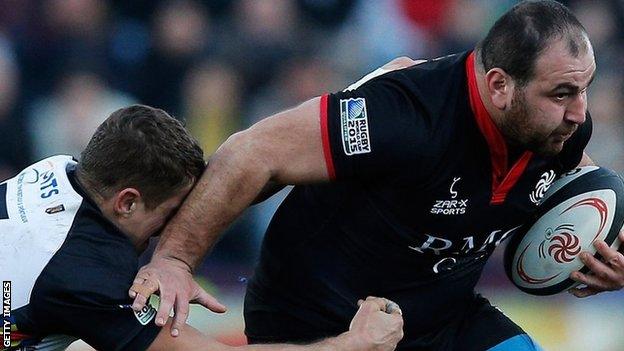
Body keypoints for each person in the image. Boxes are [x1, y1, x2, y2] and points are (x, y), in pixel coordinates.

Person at [129, 1, 624, 350]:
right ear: (499, 86)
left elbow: (585, 187)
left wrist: (611, 251)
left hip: (442, 318)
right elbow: (250, 152)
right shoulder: (401, 114)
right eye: (562, 93)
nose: (580, 112)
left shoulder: (559, 127)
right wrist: (174, 259)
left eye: (584, 89)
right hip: (319, 322)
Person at [0, 105, 404, 351]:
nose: (172, 230)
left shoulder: (55, 170)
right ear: (127, 201)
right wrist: (352, 345)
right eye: (172, 213)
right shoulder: (83, 274)